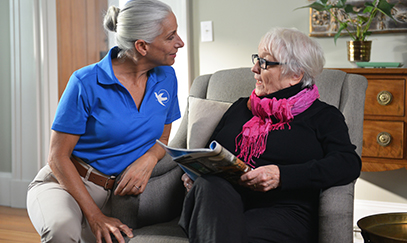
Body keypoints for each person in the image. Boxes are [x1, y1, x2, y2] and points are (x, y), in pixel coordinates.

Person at [179, 27, 361, 243]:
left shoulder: (323, 116)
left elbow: (347, 162)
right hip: (220, 202)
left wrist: (282, 175)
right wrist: (194, 173)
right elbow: (211, 151)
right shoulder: (240, 107)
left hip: (283, 210)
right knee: (209, 186)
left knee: (227, 233)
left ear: (295, 75)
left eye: (264, 63)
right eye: (257, 59)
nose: (254, 68)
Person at [26, 0, 184, 242]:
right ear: (142, 46)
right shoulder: (85, 82)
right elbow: (57, 157)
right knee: (61, 230)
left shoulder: (167, 77)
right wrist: (94, 215)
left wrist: (150, 158)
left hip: (120, 194)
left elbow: (162, 138)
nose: (180, 42)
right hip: (70, 183)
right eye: (171, 36)